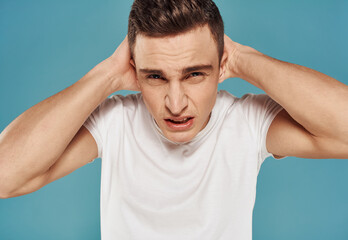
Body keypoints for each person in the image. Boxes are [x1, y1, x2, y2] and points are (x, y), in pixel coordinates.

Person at [0, 0, 347, 239]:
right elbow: (5, 176)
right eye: (156, 77)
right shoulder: (116, 122)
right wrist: (106, 76)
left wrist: (243, 59)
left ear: (220, 66)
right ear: (134, 71)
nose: (176, 103)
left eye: (195, 74)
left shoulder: (246, 122)